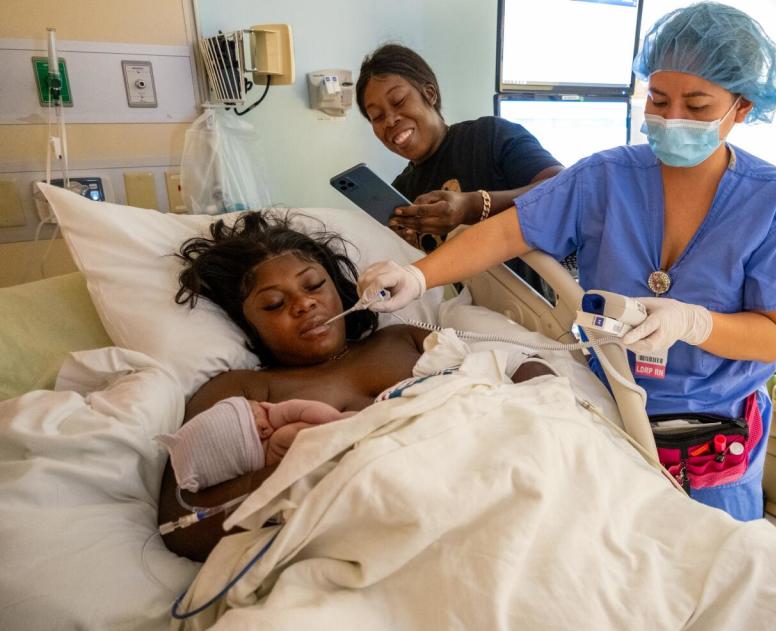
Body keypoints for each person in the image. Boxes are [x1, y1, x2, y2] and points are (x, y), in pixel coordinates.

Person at [358, 3, 776, 522]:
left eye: (696, 106)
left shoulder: (775, 202)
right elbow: (509, 232)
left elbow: (773, 335)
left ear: (741, 107)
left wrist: (694, 323)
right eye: (659, 99)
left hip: (712, 432)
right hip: (604, 405)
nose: (672, 119)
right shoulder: (606, 176)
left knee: (714, 570)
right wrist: (416, 274)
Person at [158, 210, 553, 561]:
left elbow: (499, 379)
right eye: (275, 304)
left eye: (313, 285)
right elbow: (183, 527)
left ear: (339, 289)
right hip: (388, 536)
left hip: (496, 483)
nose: (304, 304)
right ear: (248, 324)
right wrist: (308, 465)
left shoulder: (402, 339)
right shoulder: (243, 391)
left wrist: (536, 384)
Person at [356, 43, 564, 291]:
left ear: (430, 93)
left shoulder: (489, 136)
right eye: (377, 117)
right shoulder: (401, 193)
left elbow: (563, 190)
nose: (390, 120)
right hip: (454, 321)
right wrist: (406, 249)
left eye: (399, 101)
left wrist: (474, 206)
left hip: (529, 314)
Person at [157, 396, 355, 493]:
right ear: (262, 430)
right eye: (256, 406)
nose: (264, 403)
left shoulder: (270, 459)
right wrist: (288, 409)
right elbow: (328, 422)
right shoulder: (281, 439)